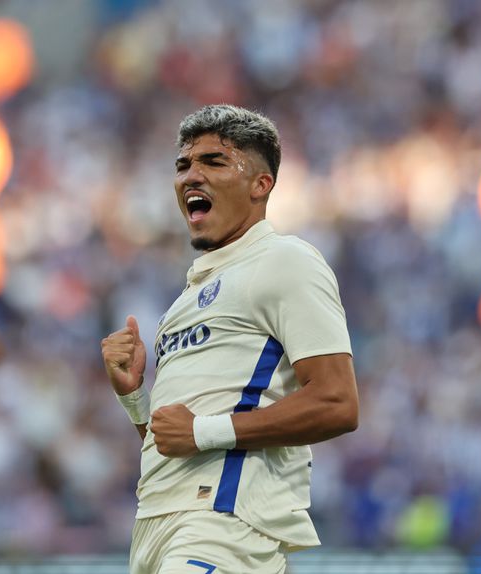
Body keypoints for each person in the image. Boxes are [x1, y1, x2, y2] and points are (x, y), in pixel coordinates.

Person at [101, 104, 360, 574]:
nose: (190, 176)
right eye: (183, 166)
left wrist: (202, 430)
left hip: (224, 523)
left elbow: (337, 402)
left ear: (261, 184)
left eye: (213, 162)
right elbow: (174, 441)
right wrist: (135, 398)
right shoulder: (183, 301)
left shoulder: (286, 260)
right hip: (156, 527)